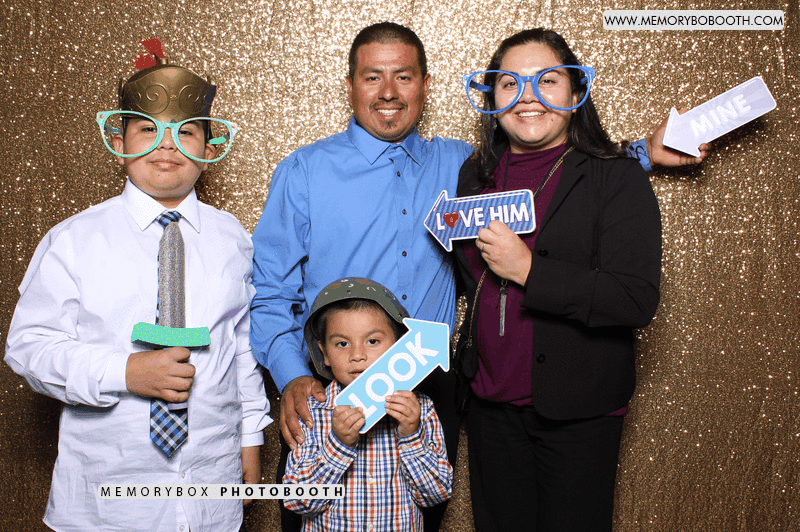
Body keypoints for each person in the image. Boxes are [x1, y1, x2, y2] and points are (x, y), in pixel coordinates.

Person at [249, 21, 706, 532]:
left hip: (425, 396)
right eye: (372, 76)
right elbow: (269, 292)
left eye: (404, 76)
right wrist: (292, 377)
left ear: (425, 85)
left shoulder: (462, 167)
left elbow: (554, 162)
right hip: (335, 393)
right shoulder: (305, 171)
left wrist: (641, 152)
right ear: (351, 84)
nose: (388, 92)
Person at [4, 39, 271, 531]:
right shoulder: (73, 240)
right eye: (148, 129)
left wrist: (250, 438)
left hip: (211, 492)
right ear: (120, 142)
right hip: (105, 501)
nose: (166, 145)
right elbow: (29, 348)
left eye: (185, 131)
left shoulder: (232, 237)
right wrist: (124, 372)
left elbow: (239, 345)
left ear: (209, 148)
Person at [453, 28, 670, 531]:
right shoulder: (474, 177)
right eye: (510, 83)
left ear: (575, 91)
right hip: (488, 408)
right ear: (492, 98)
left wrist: (529, 270)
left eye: (546, 80)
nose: (527, 96)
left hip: (578, 412)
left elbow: (634, 299)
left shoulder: (616, 177)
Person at [282, 277, 452, 531]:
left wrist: (411, 435)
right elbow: (296, 501)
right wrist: (338, 446)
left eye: (372, 341)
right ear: (324, 353)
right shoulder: (313, 413)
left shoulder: (420, 409)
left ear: (398, 345)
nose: (357, 355)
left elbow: (436, 494)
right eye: (342, 344)